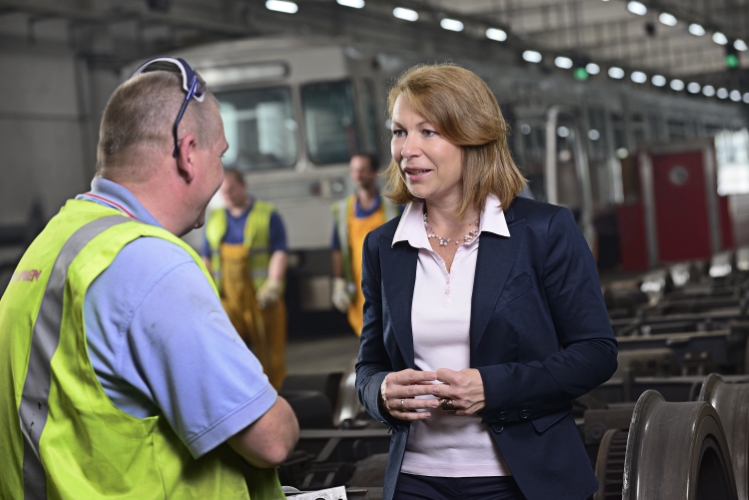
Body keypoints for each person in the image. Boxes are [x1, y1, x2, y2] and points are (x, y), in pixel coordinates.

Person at [0, 57, 299, 499]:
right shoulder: (151, 265)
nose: (220, 172)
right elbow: (269, 440)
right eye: (220, 154)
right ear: (187, 152)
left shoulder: (55, 241)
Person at [355, 64, 618, 500]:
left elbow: (595, 353)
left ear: (472, 136)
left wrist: (493, 388)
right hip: (416, 480)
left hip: (521, 479)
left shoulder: (544, 231)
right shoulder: (384, 246)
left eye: (429, 132)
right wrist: (379, 393)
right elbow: (368, 364)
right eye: (399, 132)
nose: (407, 150)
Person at [203, 169, 288, 390]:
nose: (227, 194)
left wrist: (273, 283)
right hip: (228, 301)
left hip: (262, 299)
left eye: (231, 189)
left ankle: (277, 397)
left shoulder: (267, 215)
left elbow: (280, 251)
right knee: (225, 353)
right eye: (223, 191)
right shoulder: (215, 219)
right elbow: (207, 258)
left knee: (271, 357)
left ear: (243, 186)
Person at [331, 153, 399, 335]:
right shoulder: (343, 210)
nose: (357, 175)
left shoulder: (391, 206)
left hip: (387, 283)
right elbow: (338, 249)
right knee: (365, 331)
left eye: (362, 170)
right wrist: (338, 283)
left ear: (375, 172)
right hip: (358, 285)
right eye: (354, 170)